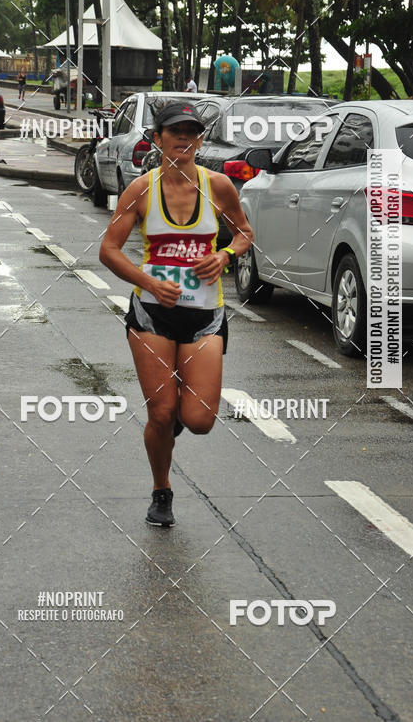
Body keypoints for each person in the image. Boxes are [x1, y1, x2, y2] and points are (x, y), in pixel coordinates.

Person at [99, 102, 253, 527]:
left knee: (199, 420)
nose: (183, 139)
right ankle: (161, 490)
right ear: (158, 137)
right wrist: (150, 283)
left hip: (205, 314)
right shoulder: (141, 190)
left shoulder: (219, 186)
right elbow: (108, 250)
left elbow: (244, 234)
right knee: (162, 413)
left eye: (192, 132)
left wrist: (223, 256)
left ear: (200, 140)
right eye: (174, 131)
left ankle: (172, 426)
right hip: (152, 314)